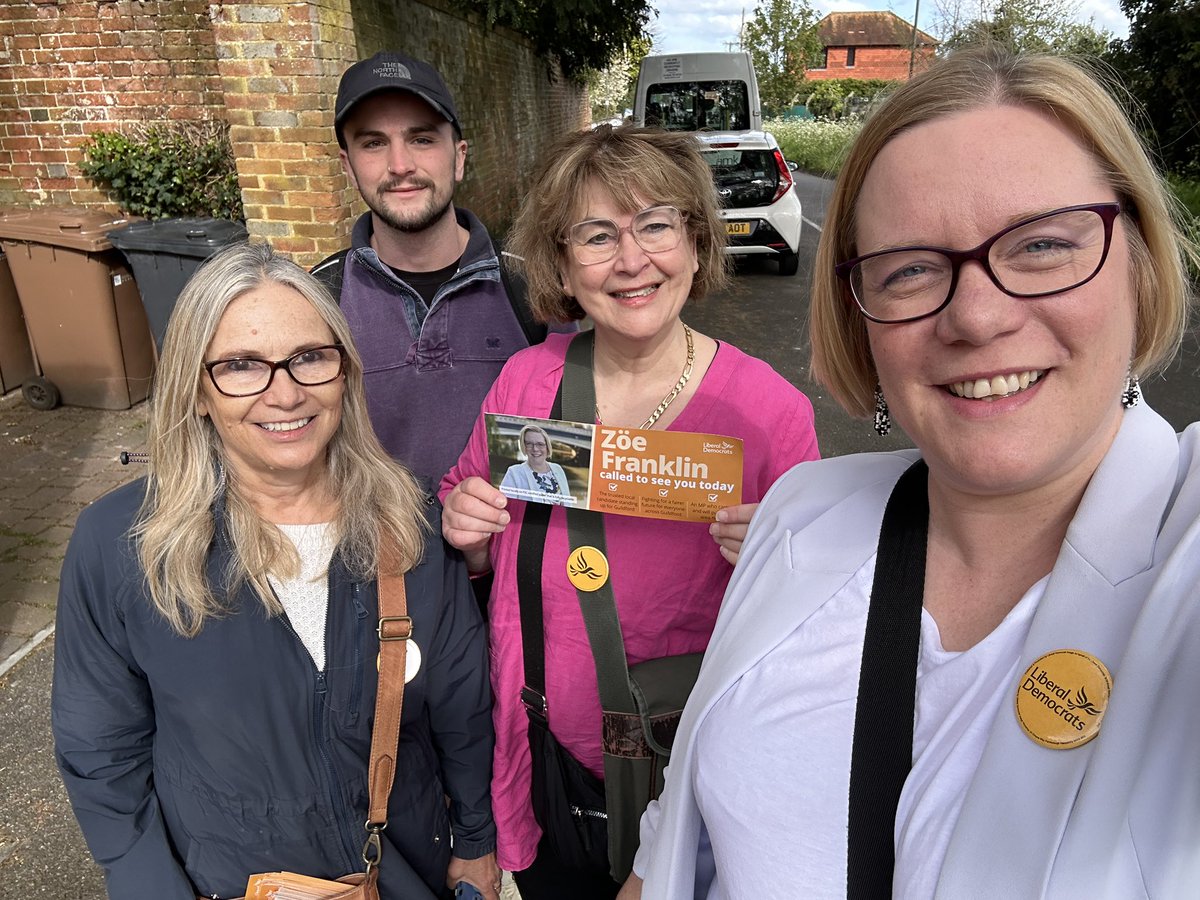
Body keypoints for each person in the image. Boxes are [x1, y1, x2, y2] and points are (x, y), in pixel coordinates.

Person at [621, 46, 1200, 899]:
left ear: (1142, 262)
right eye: (912, 270)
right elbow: (674, 844)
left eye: (1041, 244)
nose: (976, 316)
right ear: (862, 323)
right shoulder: (799, 514)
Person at [52, 242, 501, 900]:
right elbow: (101, 751)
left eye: (310, 358)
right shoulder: (121, 544)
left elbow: (461, 708)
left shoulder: (413, 526)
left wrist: (478, 841)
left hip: (403, 873)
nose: (285, 392)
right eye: (239, 365)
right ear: (197, 391)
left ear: (344, 373)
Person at [440, 125, 821, 897]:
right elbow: (468, 513)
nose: (632, 259)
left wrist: (784, 566)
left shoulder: (769, 414)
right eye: (597, 235)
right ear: (562, 259)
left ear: (695, 237)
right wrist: (466, 528)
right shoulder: (526, 383)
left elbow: (819, 630)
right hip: (547, 758)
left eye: (656, 224)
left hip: (694, 779)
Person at [312, 51, 570, 488]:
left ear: (459, 156)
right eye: (373, 143)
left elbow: (576, 452)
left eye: (423, 139)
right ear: (348, 168)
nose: (400, 165)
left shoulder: (536, 291)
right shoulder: (316, 300)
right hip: (375, 555)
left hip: (501, 553)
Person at [499, 424, 574, 505]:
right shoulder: (514, 472)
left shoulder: (558, 469)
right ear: (524, 446)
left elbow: (568, 503)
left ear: (547, 447)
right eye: (529, 444)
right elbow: (506, 505)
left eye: (540, 444)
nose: (535, 449)